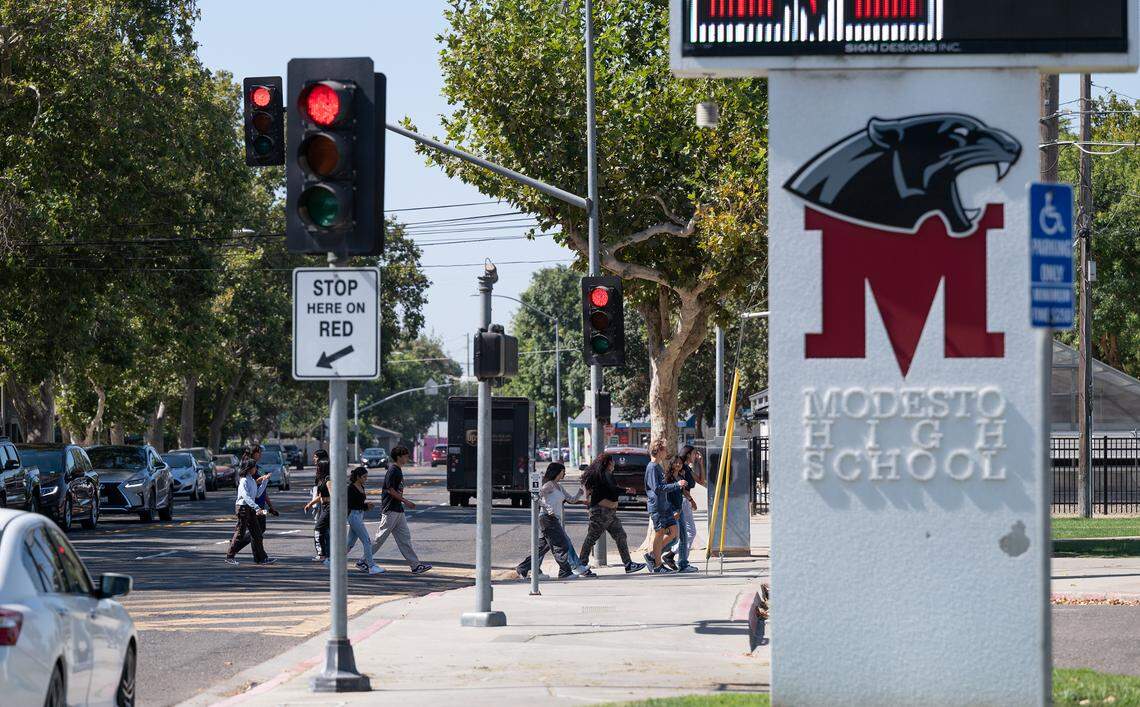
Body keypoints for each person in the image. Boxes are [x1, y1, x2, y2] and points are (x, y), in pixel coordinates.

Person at [516, 462, 595, 580]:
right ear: (557, 472)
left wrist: (580, 493)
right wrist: (547, 507)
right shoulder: (549, 485)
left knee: (543, 547)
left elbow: (571, 500)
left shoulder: (559, 486)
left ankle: (523, 568)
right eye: (563, 471)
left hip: (554, 519)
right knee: (562, 544)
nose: (564, 474)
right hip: (547, 518)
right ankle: (565, 572)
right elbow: (536, 497)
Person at [578, 453, 646, 574]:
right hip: (601, 513)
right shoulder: (604, 474)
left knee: (620, 535)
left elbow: (611, 489)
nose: (614, 463)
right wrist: (626, 490)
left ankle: (628, 564)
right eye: (613, 461)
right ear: (608, 463)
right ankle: (581, 565)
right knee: (592, 537)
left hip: (609, 514)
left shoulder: (606, 474)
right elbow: (612, 489)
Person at [371, 446, 432, 574]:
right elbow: (390, 489)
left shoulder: (398, 470)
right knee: (380, 537)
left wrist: (402, 503)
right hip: (391, 509)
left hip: (398, 509)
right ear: (399, 457)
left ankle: (415, 565)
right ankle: (364, 560)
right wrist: (406, 501)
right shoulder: (393, 470)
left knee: (405, 539)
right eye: (405, 455)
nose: (407, 457)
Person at [644, 438, 687, 573]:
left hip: (665, 506)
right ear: (659, 451)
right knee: (659, 533)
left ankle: (652, 554)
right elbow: (657, 488)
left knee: (674, 532)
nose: (667, 452)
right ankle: (657, 565)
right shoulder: (652, 467)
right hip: (657, 506)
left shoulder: (658, 466)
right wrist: (676, 485)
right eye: (665, 449)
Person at [224, 455, 275, 566]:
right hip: (242, 508)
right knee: (240, 533)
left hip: (250, 508)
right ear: (249, 468)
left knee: (257, 534)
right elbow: (246, 497)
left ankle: (263, 558)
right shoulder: (244, 481)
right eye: (254, 467)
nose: (256, 469)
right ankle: (230, 556)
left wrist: (265, 481)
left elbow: (257, 494)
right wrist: (256, 507)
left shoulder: (251, 480)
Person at [346, 465, 383, 575]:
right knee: (367, 541)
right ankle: (371, 566)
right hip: (353, 516)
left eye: (366, 477)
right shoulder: (351, 488)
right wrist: (366, 506)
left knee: (349, 543)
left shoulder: (361, 486)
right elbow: (351, 504)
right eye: (364, 477)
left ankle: (333, 560)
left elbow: (360, 503)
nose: (366, 479)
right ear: (358, 477)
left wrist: (366, 506)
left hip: (359, 516)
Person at [304, 450, 331, 564]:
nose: (317, 467)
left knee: (319, 528)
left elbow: (333, 495)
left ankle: (323, 555)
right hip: (324, 506)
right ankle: (327, 555)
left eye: (319, 465)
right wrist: (310, 504)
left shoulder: (328, 479)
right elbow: (320, 495)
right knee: (324, 530)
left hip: (329, 507)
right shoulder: (322, 479)